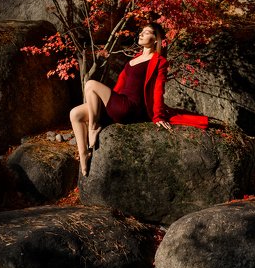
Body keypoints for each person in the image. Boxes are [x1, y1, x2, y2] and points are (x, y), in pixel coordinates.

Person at [69, 22, 208, 176]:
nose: (141, 34)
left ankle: (93, 127)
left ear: (156, 40)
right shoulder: (132, 60)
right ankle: (84, 154)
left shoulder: (159, 61)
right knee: (75, 114)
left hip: (131, 107)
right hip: (119, 102)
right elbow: (118, 88)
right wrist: (107, 104)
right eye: (141, 31)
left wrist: (158, 115)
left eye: (147, 32)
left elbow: (158, 89)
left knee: (90, 84)